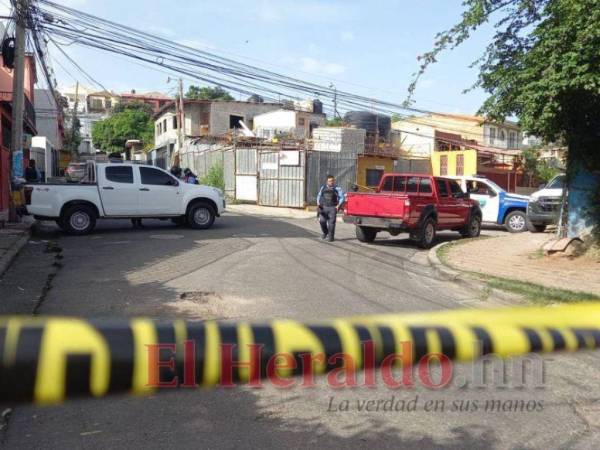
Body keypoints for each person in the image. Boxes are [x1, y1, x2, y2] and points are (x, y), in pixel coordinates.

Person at [316, 175, 345, 242]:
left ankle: (331, 237)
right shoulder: (323, 187)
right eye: (330, 181)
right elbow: (319, 195)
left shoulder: (338, 188)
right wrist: (318, 203)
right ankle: (325, 232)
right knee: (322, 221)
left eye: (332, 181)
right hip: (323, 207)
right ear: (327, 181)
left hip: (332, 208)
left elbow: (342, 198)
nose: (331, 182)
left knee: (331, 223)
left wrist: (338, 205)